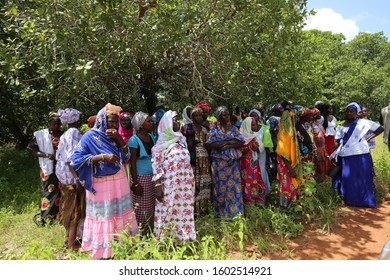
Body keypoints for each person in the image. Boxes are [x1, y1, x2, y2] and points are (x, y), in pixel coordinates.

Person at [70, 103, 138, 259]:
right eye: (111, 121)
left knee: (118, 212)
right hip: (101, 183)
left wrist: (120, 140)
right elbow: (76, 159)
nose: (113, 125)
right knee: (104, 214)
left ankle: (121, 244)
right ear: (102, 120)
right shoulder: (89, 136)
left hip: (119, 180)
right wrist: (102, 157)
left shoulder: (115, 137)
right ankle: (103, 250)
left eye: (116, 122)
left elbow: (126, 157)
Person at [151, 110, 196, 241]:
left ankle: (183, 238)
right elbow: (157, 165)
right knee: (168, 210)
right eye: (174, 119)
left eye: (177, 119)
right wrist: (158, 186)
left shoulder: (181, 139)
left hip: (185, 185)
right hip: (169, 185)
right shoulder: (161, 143)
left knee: (184, 210)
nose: (178, 122)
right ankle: (165, 239)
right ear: (167, 123)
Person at [330, 102, 384, 207]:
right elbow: (337, 141)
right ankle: (350, 200)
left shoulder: (363, 123)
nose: (349, 113)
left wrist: (368, 138)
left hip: (361, 155)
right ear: (345, 112)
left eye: (352, 112)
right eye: (348, 111)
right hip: (345, 156)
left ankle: (365, 201)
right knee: (347, 178)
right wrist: (333, 155)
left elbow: (380, 129)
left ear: (356, 113)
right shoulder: (341, 126)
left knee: (363, 177)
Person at [206, 106, 244, 218]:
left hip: (233, 163)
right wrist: (227, 143)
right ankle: (222, 214)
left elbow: (240, 141)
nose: (227, 117)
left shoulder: (234, 128)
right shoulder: (215, 130)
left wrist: (225, 144)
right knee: (221, 188)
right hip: (219, 164)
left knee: (234, 187)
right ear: (219, 117)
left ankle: (235, 213)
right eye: (224, 115)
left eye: (228, 114)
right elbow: (210, 144)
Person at [55, 108, 85, 251]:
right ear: (76, 120)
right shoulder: (74, 133)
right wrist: (77, 178)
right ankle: (72, 242)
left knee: (68, 206)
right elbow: (70, 159)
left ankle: (69, 237)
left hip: (64, 175)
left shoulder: (65, 134)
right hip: (71, 176)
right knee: (75, 209)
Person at [28, 112, 63, 226]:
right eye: (54, 124)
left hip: (60, 168)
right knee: (48, 191)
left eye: (58, 124)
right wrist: (47, 155)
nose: (56, 126)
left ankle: (58, 216)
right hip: (47, 168)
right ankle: (47, 216)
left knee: (60, 191)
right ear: (49, 123)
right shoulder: (41, 135)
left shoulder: (63, 135)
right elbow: (33, 150)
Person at [128, 111, 156, 235]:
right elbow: (132, 163)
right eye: (148, 121)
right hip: (141, 176)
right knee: (142, 206)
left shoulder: (151, 137)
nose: (151, 123)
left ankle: (150, 230)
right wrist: (135, 183)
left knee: (152, 205)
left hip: (152, 174)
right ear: (141, 125)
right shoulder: (134, 140)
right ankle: (141, 232)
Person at [182, 107, 212, 217]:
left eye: (200, 115)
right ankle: (193, 211)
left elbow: (209, 142)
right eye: (196, 115)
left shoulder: (205, 129)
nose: (199, 117)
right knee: (194, 183)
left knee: (205, 182)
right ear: (192, 117)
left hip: (205, 157)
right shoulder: (187, 128)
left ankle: (203, 209)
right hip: (193, 158)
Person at [275, 103, 303, 208]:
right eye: (292, 117)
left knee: (290, 185)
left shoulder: (291, 131)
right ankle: (285, 206)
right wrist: (290, 168)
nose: (294, 118)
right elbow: (283, 153)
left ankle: (291, 206)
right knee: (286, 185)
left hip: (290, 163)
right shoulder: (284, 133)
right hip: (285, 165)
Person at [239, 117, 266, 204]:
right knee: (246, 180)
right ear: (247, 126)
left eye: (255, 125)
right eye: (253, 125)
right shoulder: (241, 136)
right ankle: (248, 200)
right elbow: (239, 152)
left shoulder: (255, 136)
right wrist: (250, 147)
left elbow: (260, 149)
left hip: (254, 163)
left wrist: (256, 148)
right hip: (244, 164)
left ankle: (255, 198)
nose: (255, 127)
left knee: (255, 179)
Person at [249, 108, 273, 194]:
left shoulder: (264, 128)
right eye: (252, 115)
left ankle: (263, 192)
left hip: (262, 154)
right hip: (250, 154)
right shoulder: (247, 128)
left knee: (262, 171)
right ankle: (253, 192)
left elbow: (267, 144)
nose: (254, 117)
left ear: (259, 117)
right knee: (252, 172)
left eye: (256, 115)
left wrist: (267, 159)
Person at [311, 107, 329, 182]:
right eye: (318, 113)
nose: (320, 115)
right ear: (314, 115)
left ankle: (324, 178)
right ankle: (318, 179)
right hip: (316, 147)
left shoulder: (319, 122)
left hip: (322, 146)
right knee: (318, 162)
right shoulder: (310, 124)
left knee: (324, 161)